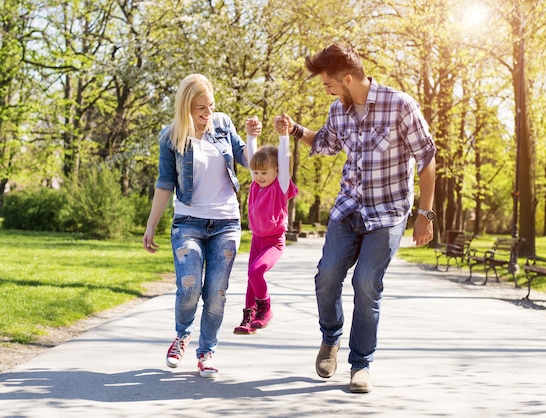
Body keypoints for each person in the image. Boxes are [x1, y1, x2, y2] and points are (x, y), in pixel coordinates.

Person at [273, 43, 436, 393]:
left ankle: (360, 365)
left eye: (329, 84)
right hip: (349, 208)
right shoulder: (339, 110)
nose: (327, 91)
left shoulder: (399, 106)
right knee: (327, 275)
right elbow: (326, 143)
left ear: (347, 78)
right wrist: (296, 130)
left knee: (366, 283)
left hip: (389, 212)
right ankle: (330, 338)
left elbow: (427, 159)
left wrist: (425, 214)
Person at [142, 73, 261, 379]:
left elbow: (249, 161)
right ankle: (183, 334)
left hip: (226, 223)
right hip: (187, 223)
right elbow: (165, 183)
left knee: (217, 292)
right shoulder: (170, 137)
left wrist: (252, 137)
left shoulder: (222, 124)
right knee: (189, 286)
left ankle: (207, 351)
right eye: (200, 109)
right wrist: (151, 225)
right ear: (185, 108)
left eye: (210, 106)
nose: (208, 114)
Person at [233, 127, 298, 335]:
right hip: (256, 239)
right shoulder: (255, 184)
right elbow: (253, 159)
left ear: (277, 170)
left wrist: (284, 136)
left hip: (273, 241)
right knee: (251, 278)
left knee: (256, 271)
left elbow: (285, 161)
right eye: (257, 172)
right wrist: (251, 136)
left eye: (264, 172)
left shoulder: (280, 186)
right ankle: (249, 317)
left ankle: (265, 308)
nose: (259, 176)